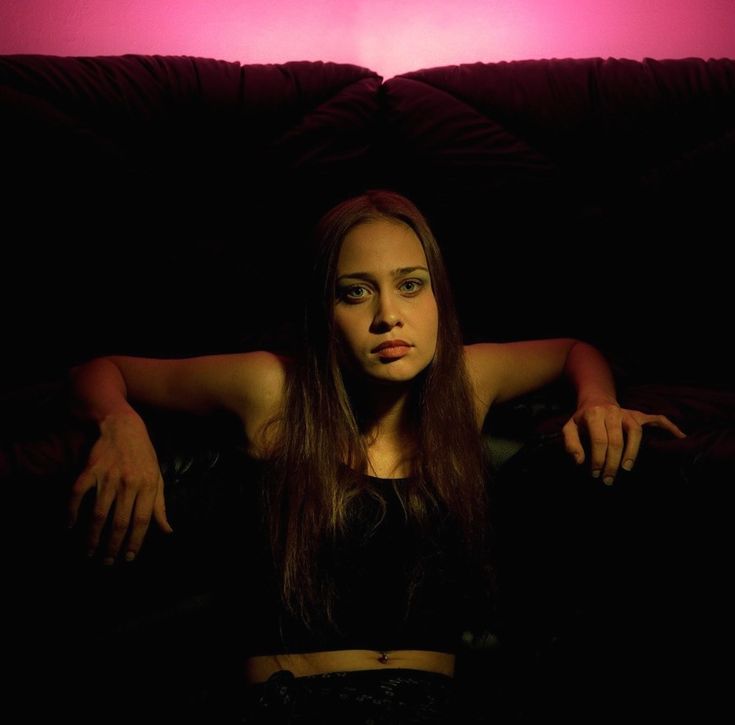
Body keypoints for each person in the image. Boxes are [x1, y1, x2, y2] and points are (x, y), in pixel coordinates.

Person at [66, 189, 686, 724]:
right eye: (355, 292)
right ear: (322, 312)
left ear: (437, 297)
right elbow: (101, 368)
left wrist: (598, 404)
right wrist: (121, 426)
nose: (389, 316)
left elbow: (575, 350)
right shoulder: (271, 388)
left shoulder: (466, 385)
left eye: (410, 286)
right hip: (294, 705)